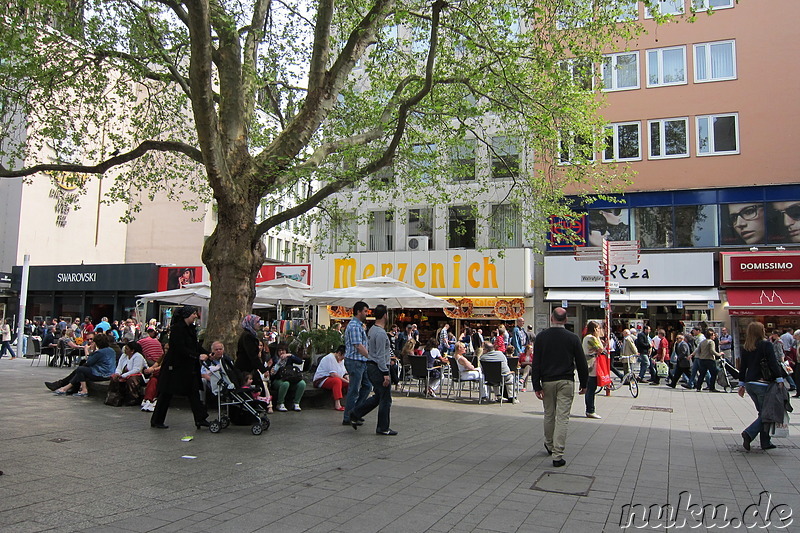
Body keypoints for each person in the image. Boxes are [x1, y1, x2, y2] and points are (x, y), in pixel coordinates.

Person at [531, 307, 588, 467]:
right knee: (562, 417)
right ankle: (558, 454)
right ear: (566, 320)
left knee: (549, 414)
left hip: (547, 381)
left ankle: (549, 445)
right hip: (566, 381)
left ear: (551, 318)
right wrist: (584, 383)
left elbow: (536, 363)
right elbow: (581, 362)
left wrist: (536, 385)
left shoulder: (541, 337)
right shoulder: (572, 338)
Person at [150, 306, 210, 429]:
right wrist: (197, 356)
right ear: (186, 315)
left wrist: (207, 354)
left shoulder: (191, 329)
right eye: (193, 313)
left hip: (188, 367)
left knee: (193, 392)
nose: (195, 316)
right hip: (175, 367)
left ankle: (200, 418)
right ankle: (157, 420)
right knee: (166, 394)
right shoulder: (177, 329)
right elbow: (180, 348)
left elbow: (195, 346)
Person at [349, 305, 397, 435]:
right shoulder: (381, 333)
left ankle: (356, 412)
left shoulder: (371, 330)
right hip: (378, 367)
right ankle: (383, 427)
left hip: (371, 365)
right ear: (385, 315)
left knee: (379, 396)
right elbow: (381, 355)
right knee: (385, 399)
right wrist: (385, 373)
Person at [738, 321, 784, 451]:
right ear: (760, 331)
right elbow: (773, 362)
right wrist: (779, 378)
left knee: (763, 413)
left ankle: (766, 442)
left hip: (750, 383)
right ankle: (749, 433)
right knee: (767, 414)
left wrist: (741, 384)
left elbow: (743, 367)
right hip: (763, 383)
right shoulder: (766, 345)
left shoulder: (747, 346)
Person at [47, 333, 115, 397]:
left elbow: (89, 361)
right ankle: (64, 387)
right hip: (108, 372)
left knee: (80, 369)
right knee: (81, 370)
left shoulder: (100, 352)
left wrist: (87, 350)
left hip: (102, 373)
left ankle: (83, 390)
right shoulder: (111, 350)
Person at [342, 301, 372, 426]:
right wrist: (370, 357)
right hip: (355, 361)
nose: (367, 314)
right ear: (359, 311)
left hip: (361, 361)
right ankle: (348, 416)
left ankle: (356, 412)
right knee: (354, 390)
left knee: (367, 386)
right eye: (365, 311)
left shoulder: (359, 325)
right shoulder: (354, 326)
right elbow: (358, 346)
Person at [235, 314, 268, 395]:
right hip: (245, 368)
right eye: (257, 322)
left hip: (248, 367)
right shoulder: (248, 336)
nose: (259, 324)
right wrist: (263, 370)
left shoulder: (250, 335)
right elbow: (252, 355)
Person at [106, 341, 147, 406]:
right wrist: (117, 373)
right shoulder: (123, 356)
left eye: (127, 349)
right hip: (124, 375)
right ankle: (113, 398)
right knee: (114, 378)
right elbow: (119, 367)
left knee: (131, 379)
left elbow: (136, 369)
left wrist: (124, 375)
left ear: (132, 350)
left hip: (137, 376)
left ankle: (133, 398)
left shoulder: (138, 356)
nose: (125, 350)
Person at [269, 343, 306, 411]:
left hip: (290, 379)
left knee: (302, 383)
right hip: (278, 380)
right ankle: (280, 403)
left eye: (283, 350)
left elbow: (300, 361)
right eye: (279, 350)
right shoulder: (274, 359)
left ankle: (296, 403)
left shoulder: (289, 358)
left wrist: (290, 355)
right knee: (285, 384)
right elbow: (271, 373)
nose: (281, 352)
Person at [313, 345, 349, 411]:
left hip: (334, 379)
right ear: (339, 353)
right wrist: (347, 381)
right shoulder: (330, 358)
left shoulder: (341, 360)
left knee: (349, 383)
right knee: (337, 381)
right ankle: (337, 404)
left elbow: (344, 372)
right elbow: (333, 374)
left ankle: (350, 402)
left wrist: (347, 377)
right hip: (322, 379)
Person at [582, 321, 605, 419]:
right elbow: (600, 349)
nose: (600, 330)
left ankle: (590, 409)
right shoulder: (591, 338)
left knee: (590, 389)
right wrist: (598, 337)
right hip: (591, 367)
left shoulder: (587, 338)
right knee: (591, 389)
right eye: (598, 329)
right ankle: (590, 410)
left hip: (589, 366)